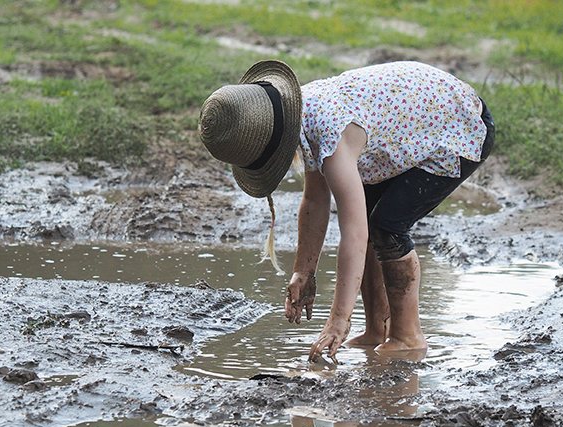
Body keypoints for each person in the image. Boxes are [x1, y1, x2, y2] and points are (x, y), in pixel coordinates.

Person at [198, 59, 495, 363]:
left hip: (458, 126)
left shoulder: (330, 134)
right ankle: (377, 330)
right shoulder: (302, 115)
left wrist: (339, 319)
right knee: (367, 215)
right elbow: (315, 200)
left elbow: (353, 234)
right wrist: (304, 271)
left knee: (386, 226)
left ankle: (408, 337)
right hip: (409, 127)